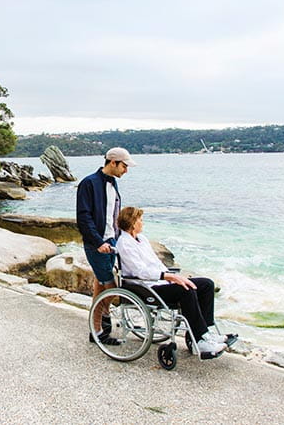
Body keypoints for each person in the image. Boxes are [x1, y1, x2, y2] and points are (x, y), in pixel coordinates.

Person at [115, 206, 237, 358]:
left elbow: (156, 263)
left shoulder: (142, 239)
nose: (142, 222)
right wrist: (169, 277)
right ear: (133, 223)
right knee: (185, 289)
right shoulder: (124, 243)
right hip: (147, 287)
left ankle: (205, 333)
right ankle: (200, 340)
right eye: (140, 220)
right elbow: (140, 272)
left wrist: (174, 275)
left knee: (206, 284)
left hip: (161, 282)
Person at [76, 147, 136, 345]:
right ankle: (102, 322)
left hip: (112, 241)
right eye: (124, 166)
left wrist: (123, 237)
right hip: (97, 243)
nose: (126, 170)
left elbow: (113, 214)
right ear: (113, 163)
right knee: (111, 286)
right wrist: (98, 242)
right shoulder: (89, 183)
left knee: (100, 285)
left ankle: (96, 330)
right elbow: (83, 218)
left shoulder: (113, 184)